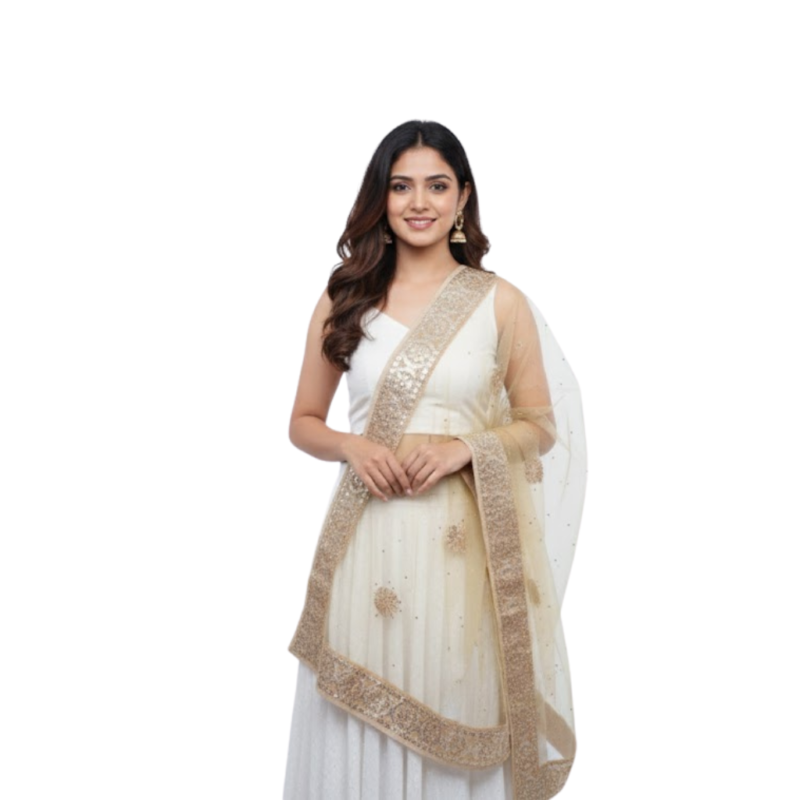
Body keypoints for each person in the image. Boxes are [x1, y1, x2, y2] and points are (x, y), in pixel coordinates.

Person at [282, 120, 587, 800]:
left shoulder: (499, 302)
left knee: (458, 704)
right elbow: (303, 422)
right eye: (401, 186)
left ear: (462, 197)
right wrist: (353, 445)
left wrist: (464, 449)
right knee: (358, 718)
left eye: (437, 186)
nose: (419, 202)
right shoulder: (347, 296)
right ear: (381, 198)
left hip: (463, 559)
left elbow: (540, 426)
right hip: (366, 543)